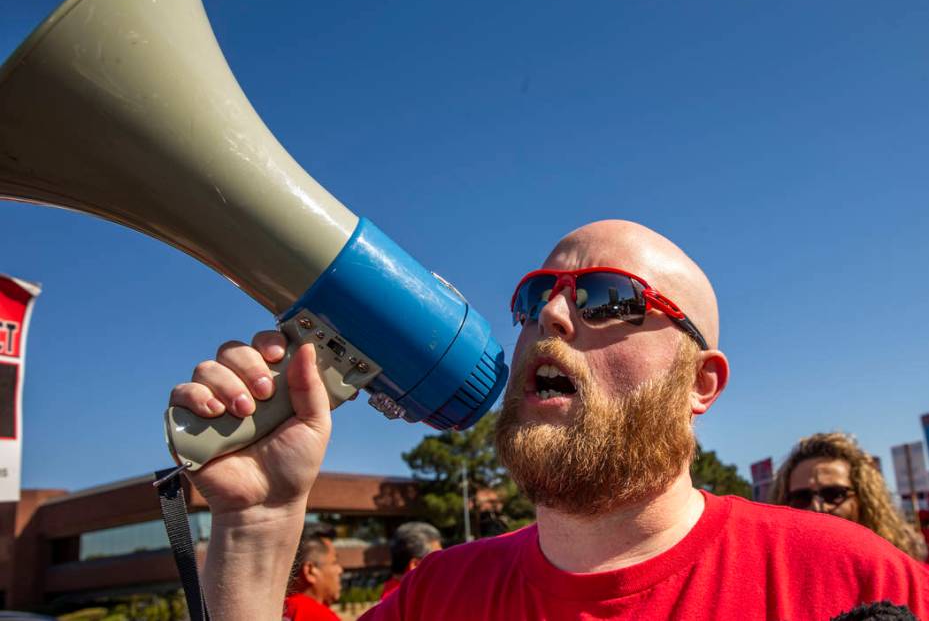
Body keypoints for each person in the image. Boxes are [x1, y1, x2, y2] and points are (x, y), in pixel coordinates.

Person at [169, 220, 929, 620]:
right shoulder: (438, 596)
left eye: (605, 298)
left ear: (701, 383)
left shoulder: (853, 579)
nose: (552, 317)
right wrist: (259, 525)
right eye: (535, 299)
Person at [769, 432, 928, 561]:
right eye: (801, 497)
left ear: (863, 498)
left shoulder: (906, 574)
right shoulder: (776, 582)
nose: (817, 507)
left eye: (834, 494)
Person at [282, 523, 343, 621]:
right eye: (334, 562)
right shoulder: (320, 616)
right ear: (310, 571)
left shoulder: (274, 610)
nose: (340, 570)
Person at [380, 522, 442, 600]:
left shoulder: (393, 596)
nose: (443, 566)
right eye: (437, 560)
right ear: (415, 565)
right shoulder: (413, 602)